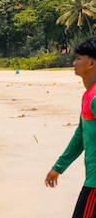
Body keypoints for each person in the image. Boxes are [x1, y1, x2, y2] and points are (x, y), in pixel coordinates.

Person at [45, 37, 96, 217]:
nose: (74, 63)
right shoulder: (88, 96)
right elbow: (80, 136)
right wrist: (59, 167)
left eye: (78, 58)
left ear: (91, 63)